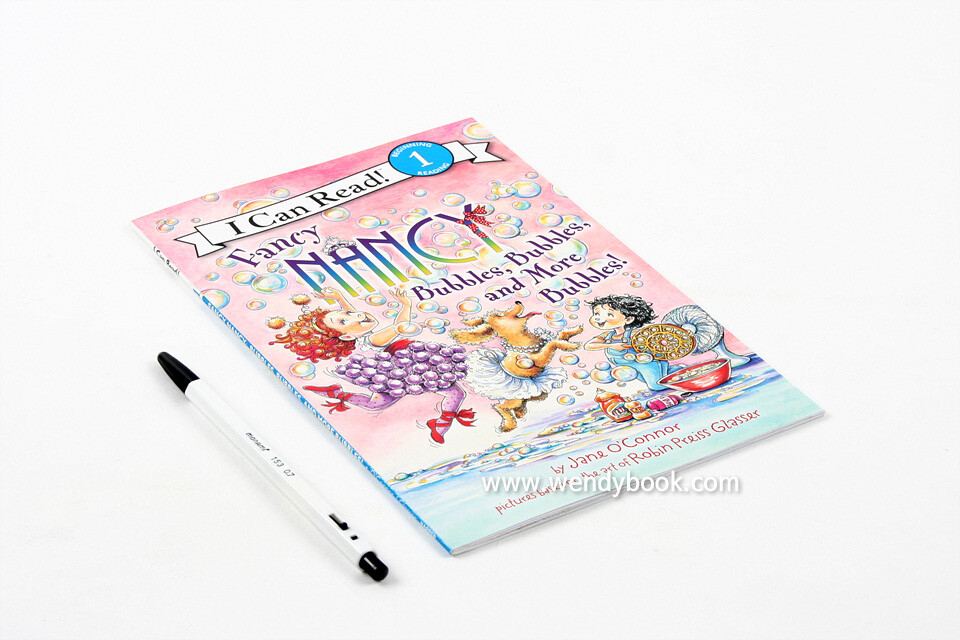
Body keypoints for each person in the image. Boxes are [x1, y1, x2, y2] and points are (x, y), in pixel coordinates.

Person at [270, 287, 473, 444]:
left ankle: (337, 393)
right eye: (343, 321)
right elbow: (400, 326)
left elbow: (355, 316)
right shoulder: (375, 339)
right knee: (455, 393)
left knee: (378, 403)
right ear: (346, 336)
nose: (358, 315)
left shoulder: (357, 334)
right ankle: (440, 425)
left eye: (347, 314)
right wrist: (406, 305)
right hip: (407, 367)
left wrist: (340, 298)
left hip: (403, 367)